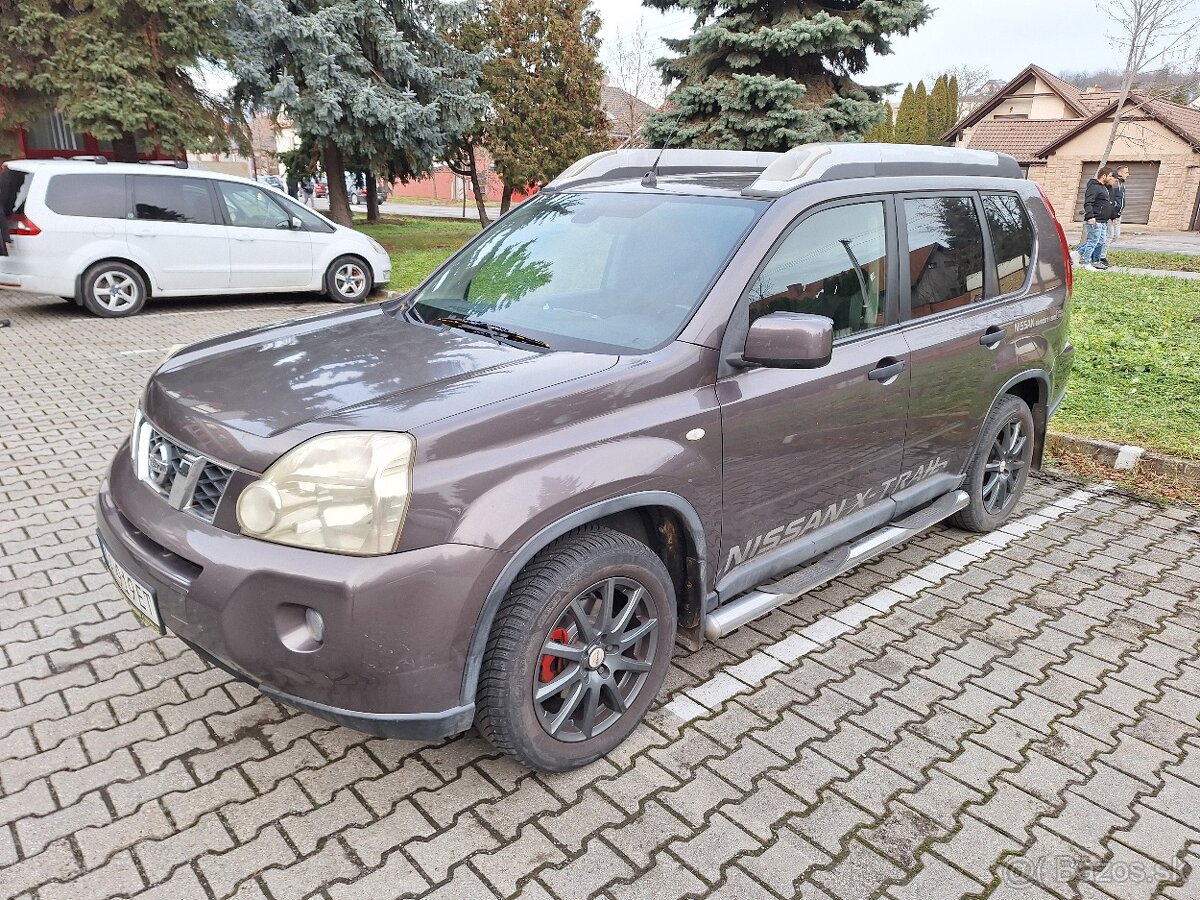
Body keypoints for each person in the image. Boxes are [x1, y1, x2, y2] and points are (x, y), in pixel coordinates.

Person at [1077, 167, 1118, 272]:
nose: (1111, 178)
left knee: (1101, 242)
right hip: (1095, 219)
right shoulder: (1094, 187)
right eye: (1110, 176)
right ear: (1103, 176)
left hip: (1103, 220)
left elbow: (1109, 204)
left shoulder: (1104, 187)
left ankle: (1076, 254)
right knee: (1093, 241)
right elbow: (1088, 202)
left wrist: (1113, 216)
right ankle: (1086, 263)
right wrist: (1090, 216)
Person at [1099, 165, 1128, 267]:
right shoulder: (1115, 184)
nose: (1128, 175)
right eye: (1126, 172)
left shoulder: (1121, 185)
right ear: (1120, 173)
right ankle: (1101, 257)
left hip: (1118, 215)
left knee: (1115, 236)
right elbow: (1111, 200)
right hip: (1112, 215)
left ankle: (1099, 253)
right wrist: (1113, 215)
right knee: (1109, 236)